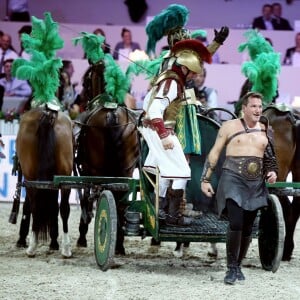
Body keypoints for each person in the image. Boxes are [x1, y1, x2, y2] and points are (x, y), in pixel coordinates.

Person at [201, 91, 278, 284]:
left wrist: (272, 172)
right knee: (236, 222)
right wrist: (205, 179)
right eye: (253, 106)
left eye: (260, 106)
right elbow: (215, 153)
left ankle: (239, 265)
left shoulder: (266, 130)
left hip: (255, 183)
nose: (257, 110)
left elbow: (270, 158)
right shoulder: (229, 127)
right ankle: (231, 268)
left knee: (248, 227)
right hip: (232, 179)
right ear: (244, 108)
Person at [139, 38, 212, 226]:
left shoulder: (171, 79)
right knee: (183, 171)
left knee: (166, 172)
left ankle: (160, 212)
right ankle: (171, 217)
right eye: (193, 73)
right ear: (185, 69)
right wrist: (164, 136)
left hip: (155, 129)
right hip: (160, 131)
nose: (193, 77)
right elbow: (155, 109)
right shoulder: (172, 83)